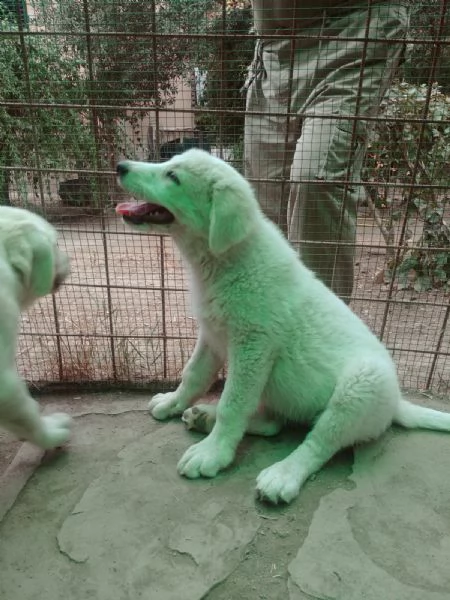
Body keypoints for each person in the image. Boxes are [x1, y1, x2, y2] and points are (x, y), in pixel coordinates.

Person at [243, 1, 410, 302]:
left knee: (315, 179)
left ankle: (319, 336)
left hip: (355, 31)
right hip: (276, 49)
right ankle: (271, 330)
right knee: (265, 201)